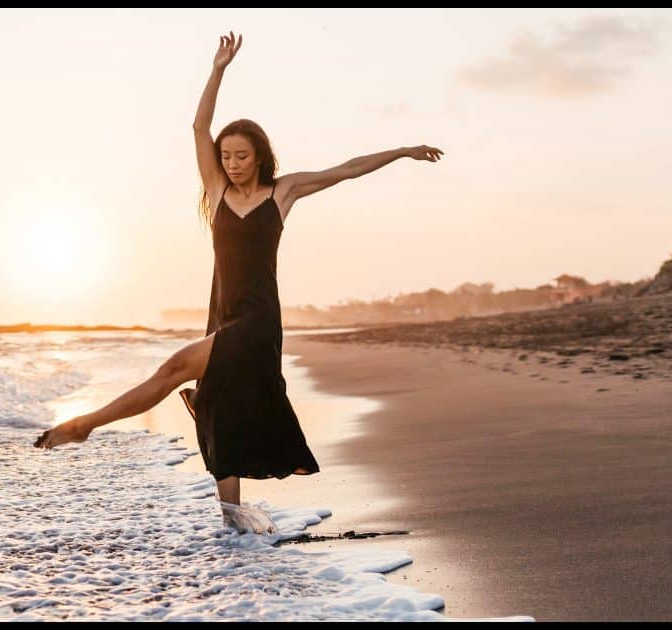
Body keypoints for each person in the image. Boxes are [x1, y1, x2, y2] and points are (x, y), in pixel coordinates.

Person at [34, 31, 443, 530]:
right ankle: (231, 520)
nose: (231, 163)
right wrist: (218, 69)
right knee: (221, 407)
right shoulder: (216, 191)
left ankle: (84, 426)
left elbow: (349, 169)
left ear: (259, 156)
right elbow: (198, 125)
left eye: (241, 156)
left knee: (173, 369)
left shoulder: (282, 193)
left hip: (258, 321)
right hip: (225, 314)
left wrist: (403, 150)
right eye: (226, 156)